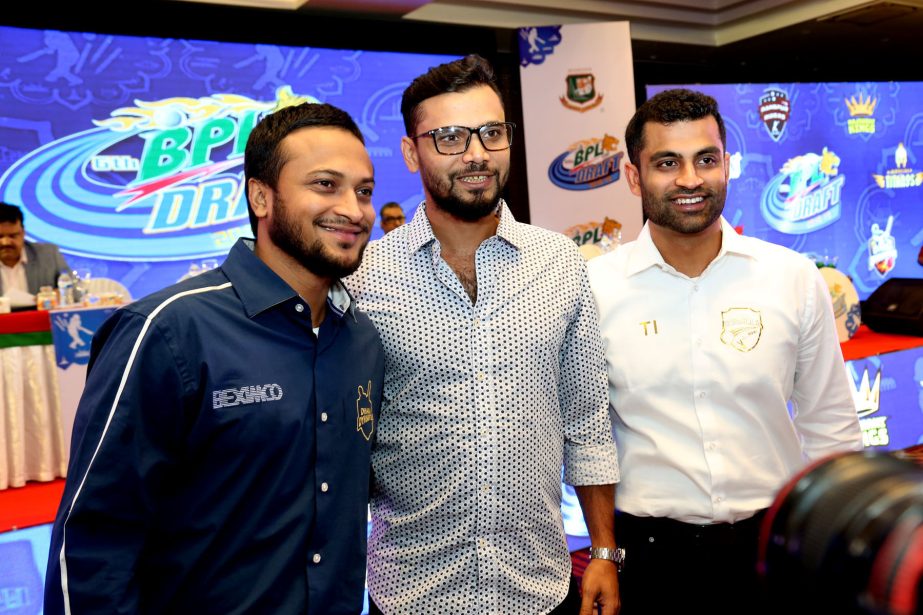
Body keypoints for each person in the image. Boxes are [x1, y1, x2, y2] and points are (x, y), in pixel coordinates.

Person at [44, 102, 385, 614]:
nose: (355, 210)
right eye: (325, 185)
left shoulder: (361, 339)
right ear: (261, 196)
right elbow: (93, 539)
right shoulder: (167, 331)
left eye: (363, 191)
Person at [348, 54, 621, 615]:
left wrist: (603, 551)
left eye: (491, 133)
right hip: (411, 595)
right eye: (449, 137)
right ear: (410, 152)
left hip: (539, 589)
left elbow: (588, 420)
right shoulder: (363, 277)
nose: (476, 153)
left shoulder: (560, 262)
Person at [586, 88, 863, 614]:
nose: (690, 179)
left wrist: (842, 539)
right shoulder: (594, 289)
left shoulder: (792, 277)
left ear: (727, 166)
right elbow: (586, 436)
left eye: (705, 159)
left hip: (773, 545)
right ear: (633, 176)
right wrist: (603, 552)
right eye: (667, 162)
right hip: (649, 556)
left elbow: (831, 422)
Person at [0, 202, 70, 304]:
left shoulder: (49, 255)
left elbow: (74, 290)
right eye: (0, 236)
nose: (6, 242)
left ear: (23, 233)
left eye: (13, 236)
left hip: (40, 318)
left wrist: (58, 295)